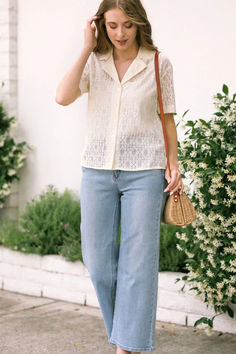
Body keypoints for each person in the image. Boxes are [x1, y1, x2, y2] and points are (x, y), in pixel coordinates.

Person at [56, 0, 184, 353]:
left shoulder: (159, 63)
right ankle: (127, 338)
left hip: (145, 170)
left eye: (127, 25)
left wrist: (174, 165)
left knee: (138, 264)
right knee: (98, 264)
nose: (120, 33)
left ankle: (124, 348)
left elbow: (167, 118)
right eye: (112, 26)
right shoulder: (93, 63)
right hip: (96, 169)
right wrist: (85, 46)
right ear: (100, 25)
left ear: (139, 23)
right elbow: (62, 97)